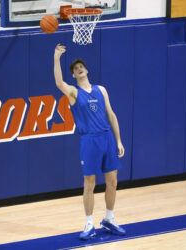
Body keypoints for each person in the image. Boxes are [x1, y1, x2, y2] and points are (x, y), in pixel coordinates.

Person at [53, 44, 126, 240]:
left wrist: (118, 140)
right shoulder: (74, 93)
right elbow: (59, 83)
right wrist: (56, 58)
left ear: (87, 70)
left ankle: (109, 218)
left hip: (107, 138)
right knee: (89, 184)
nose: (79, 68)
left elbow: (111, 114)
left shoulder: (101, 90)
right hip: (89, 141)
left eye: (81, 66)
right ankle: (89, 223)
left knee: (112, 182)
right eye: (76, 69)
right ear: (74, 75)